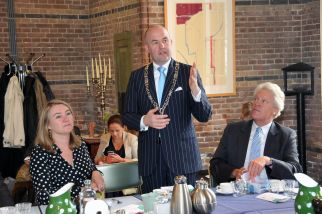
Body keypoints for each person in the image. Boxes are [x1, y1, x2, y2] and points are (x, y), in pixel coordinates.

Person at [123, 25, 212, 193]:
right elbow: (127, 116)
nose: (162, 46)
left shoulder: (188, 73)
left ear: (171, 42)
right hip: (151, 161)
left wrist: (195, 91)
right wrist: (144, 120)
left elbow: (205, 115)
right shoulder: (137, 77)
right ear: (147, 48)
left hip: (183, 159)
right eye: (155, 42)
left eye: (165, 41)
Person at [210, 82, 302, 186]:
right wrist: (234, 172)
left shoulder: (286, 135)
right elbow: (215, 164)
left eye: (263, 101)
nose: (257, 103)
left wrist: (269, 161)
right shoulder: (233, 130)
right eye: (256, 99)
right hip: (237, 192)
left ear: (275, 110)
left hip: (270, 194)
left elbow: (295, 170)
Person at [30, 99, 104, 205]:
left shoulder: (81, 145)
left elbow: (90, 168)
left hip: (84, 208)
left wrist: (95, 172)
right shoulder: (40, 152)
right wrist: (83, 191)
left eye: (68, 113)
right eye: (58, 116)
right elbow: (43, 196)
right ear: (48, 125)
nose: (66, 119)